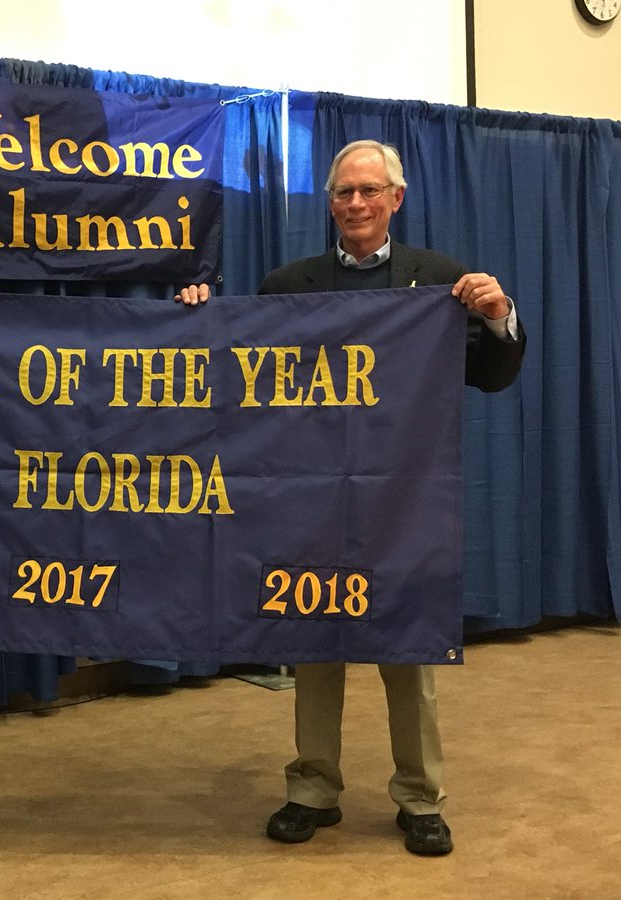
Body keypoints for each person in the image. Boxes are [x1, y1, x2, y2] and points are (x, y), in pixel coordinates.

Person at [176, 139, 525, 856]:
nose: (357, 204)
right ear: (329, 202)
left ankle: (421, 796)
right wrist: (198, 317)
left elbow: (492, 376)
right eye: (343, 192)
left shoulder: (442, 282)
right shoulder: (287, 286)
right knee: (312, 641)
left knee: (408, 644)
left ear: (396, 198)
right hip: (309, 496)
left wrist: (498, 314)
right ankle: (312, 786)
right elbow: (238, 378)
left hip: (403, 497)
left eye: (370, 191)